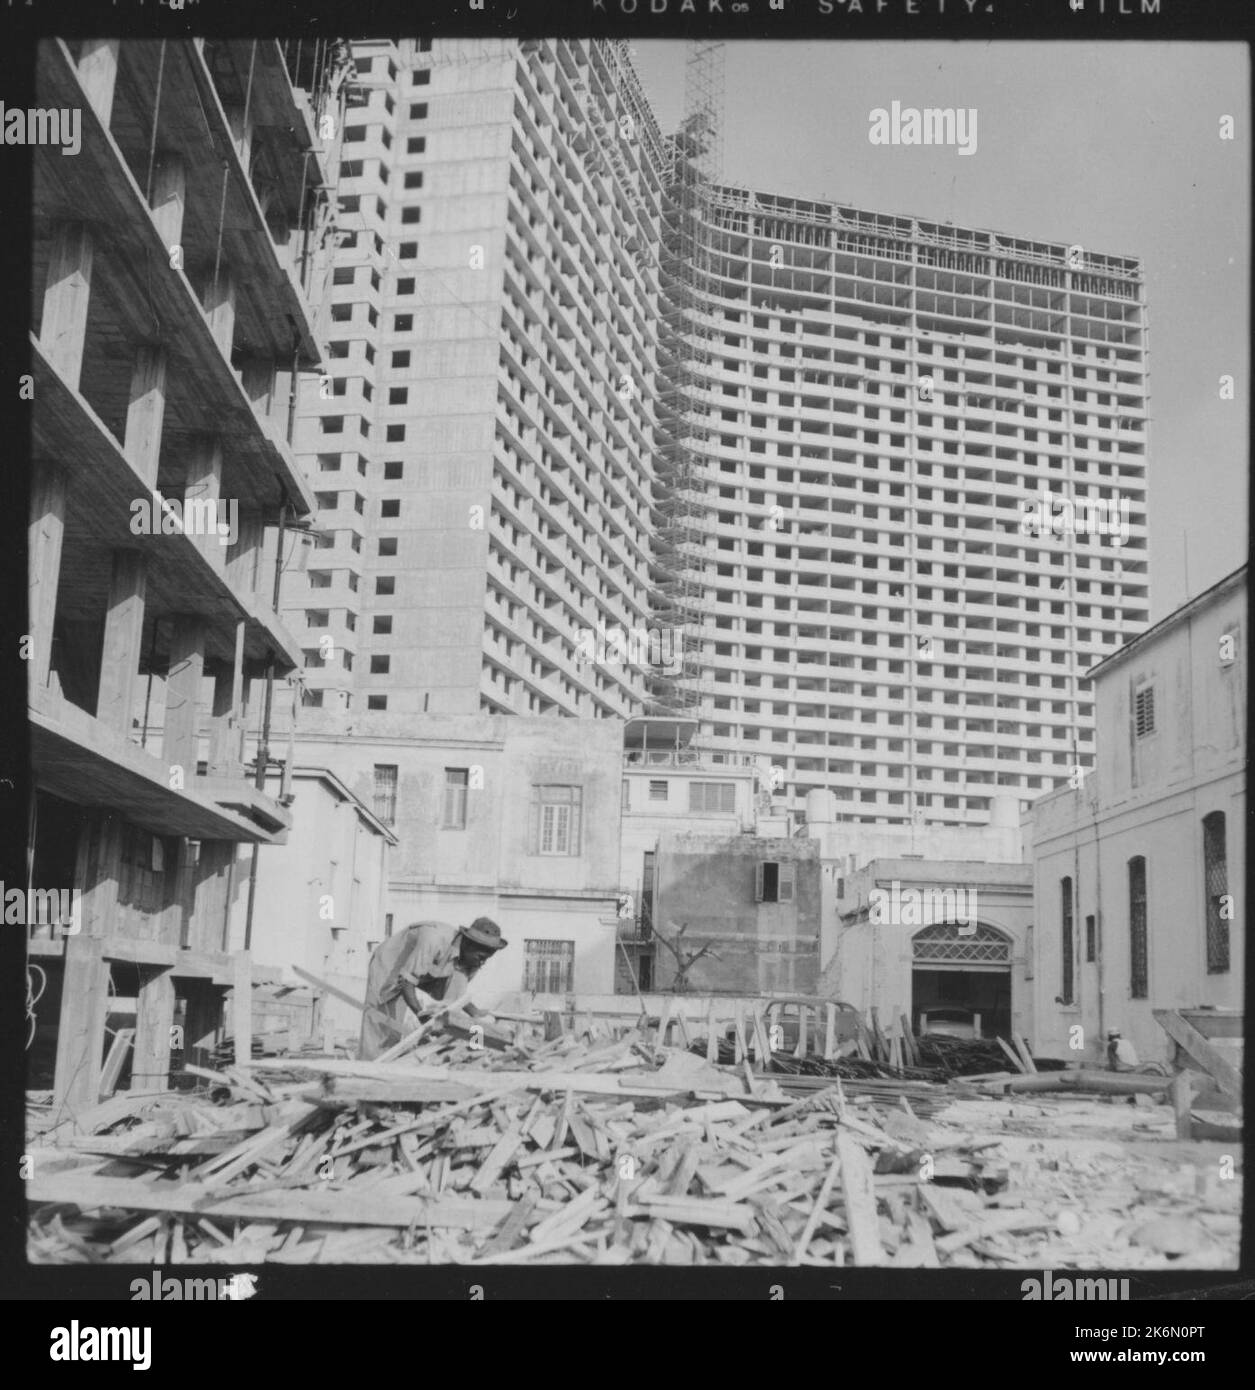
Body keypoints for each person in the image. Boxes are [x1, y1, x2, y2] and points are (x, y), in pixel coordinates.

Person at [359, 917, 508, 1060]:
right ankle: (370, 1068)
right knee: (384, 1027)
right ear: (468, 945)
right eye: (480, 957)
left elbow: (458, 999)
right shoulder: (433, 939)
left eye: (485, 959)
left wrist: (477, 1014)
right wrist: (420, 1014)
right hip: (391, 964)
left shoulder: (471, 960)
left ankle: (460, 1049)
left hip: (428, 969)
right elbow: (406, 981)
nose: (482, 963)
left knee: (450, 1017)